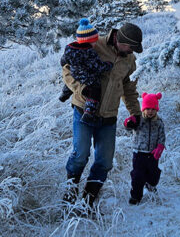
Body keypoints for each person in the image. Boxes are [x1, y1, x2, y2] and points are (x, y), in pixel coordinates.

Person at [62, 22, 144, 210]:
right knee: (80, 155)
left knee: (105, 162)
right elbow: (67, 68)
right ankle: (69, 194)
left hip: (108, 117)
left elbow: (129, 89)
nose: (133, 51)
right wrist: (81, 89)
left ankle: (87, 202)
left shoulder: (130, 60)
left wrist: (135, 113)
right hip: (83, 110)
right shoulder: (93, 43)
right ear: (121, 40)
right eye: (131, 47)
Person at [59, 18, 113, 125]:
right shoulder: (89, 52)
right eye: (94, 41)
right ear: (89, 40)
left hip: (75, 73)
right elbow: (97, 66)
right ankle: (89, 112)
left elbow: (63, 61)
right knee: (95, 90)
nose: (95, 43)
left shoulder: (70, 48)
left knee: (71, 80)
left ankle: (65, 94)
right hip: (88, 77)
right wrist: (108, 65)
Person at [127, 92, 166, 205]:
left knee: (153, 176)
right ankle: (135, 197)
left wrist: (160, 147)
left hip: (153, 154)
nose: (150, 111)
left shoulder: (159, 122)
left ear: (156, 110)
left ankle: (150, 184)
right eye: (147, 108)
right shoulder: (138, 120)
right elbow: (128, 126)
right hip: (139, 154)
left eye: (153, 109)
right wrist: (129, 123)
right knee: (138, 176)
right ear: (143, 109)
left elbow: (162, 136)